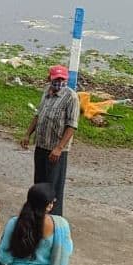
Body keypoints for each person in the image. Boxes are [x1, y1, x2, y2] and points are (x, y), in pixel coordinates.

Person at [20, 66, 79, 216]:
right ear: (49, 78)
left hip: (56, 150)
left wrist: (59, 148)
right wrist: (27, 134)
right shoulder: (46, 91)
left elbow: (72, 125)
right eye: (55, 79)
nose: (58, 82)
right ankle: (36, 214)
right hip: (41, 145)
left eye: (61, 79)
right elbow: (38, 115)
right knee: (39, 183)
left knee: (53, 186)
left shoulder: (71, 97)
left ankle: (53, 218)